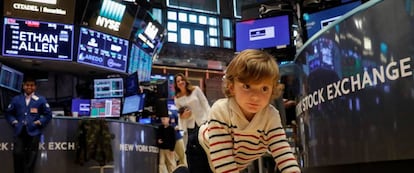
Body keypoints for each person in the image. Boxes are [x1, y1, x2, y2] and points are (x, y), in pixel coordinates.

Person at [198, 49, 301, 173]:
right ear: (231, 87)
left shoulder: (271, 116)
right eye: (247, 86)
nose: (255, 97)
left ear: (272, 90)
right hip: (203, 150)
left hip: (237, 160)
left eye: (264, 88)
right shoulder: (221, 111)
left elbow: (283, 152)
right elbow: (224, 162)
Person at [5, 76, 53, 173]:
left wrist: (40, 122)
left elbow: (48, 115)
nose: (29, 87)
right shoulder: (16, 99)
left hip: (34, 132)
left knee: (31, 157)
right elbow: (8, 113)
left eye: (31, 85)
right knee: (17, 154)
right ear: (23, 86)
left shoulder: (41, 99)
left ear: (35, 87)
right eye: (27, 85)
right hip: (19, 131)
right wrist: (13, 121)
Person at [173, 73, 211, 172]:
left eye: (182, 80)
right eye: (178, 81)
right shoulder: (177, 98)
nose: (180, 82)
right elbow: (179, 115)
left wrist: (210, 120)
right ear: (176, 84)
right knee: (193, 152)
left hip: (202, 123)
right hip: (190, 127)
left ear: (185, 80)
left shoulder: (196, 90)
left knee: (205, 149)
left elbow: (205, 103)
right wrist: (183, 116)